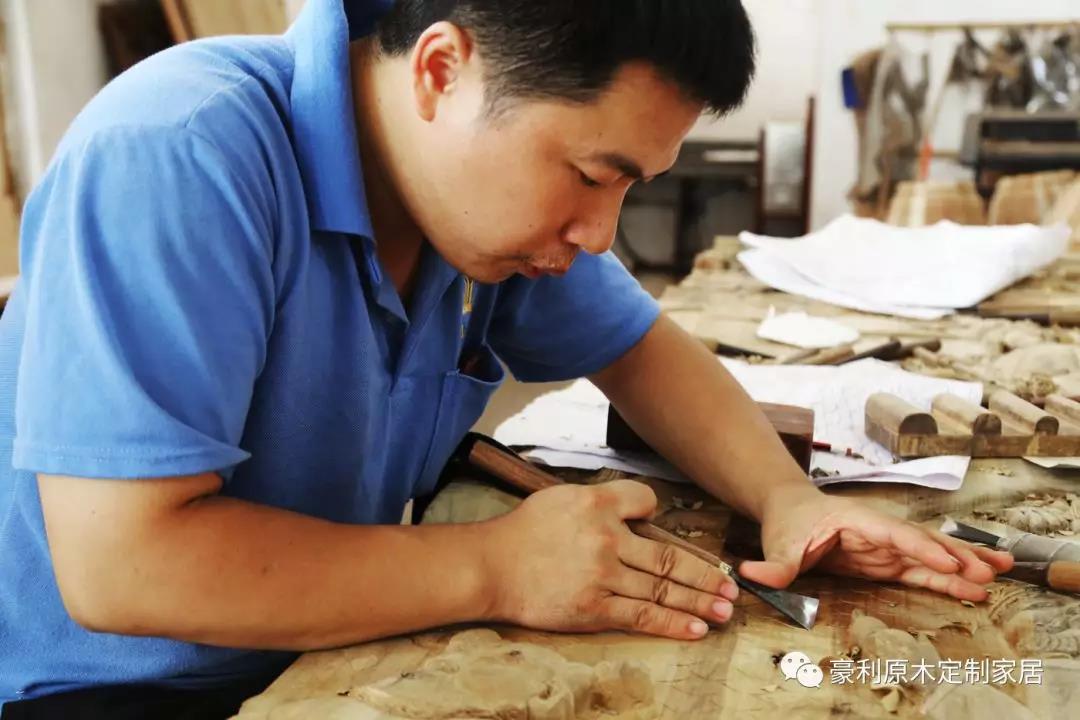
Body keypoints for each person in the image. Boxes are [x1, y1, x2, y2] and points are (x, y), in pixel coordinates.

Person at [0, 1, 1013, 717]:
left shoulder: (469, 203)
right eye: (591, 175)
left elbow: (642, 349)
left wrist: (787, 500)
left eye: (632, 187)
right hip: (108, 690)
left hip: (308, 644)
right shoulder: (181, 153)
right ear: (442, 70)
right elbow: (124, 567)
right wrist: (495, 567)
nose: (601, 233)